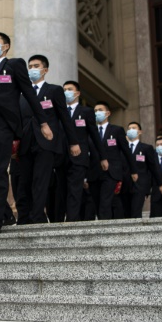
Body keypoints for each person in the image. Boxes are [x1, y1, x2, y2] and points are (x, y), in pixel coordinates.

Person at [0, 32, 51, 234]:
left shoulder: (14, 65)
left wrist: (43, 122)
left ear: (5, 47)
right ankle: (2, 215)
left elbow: (29, 93)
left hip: (3, 124)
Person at [15, 55, 79, 224]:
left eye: (36, 66)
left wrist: (73, 142)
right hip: (25, 143)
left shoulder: (54, 90)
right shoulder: (22, 94)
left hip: (46, 143)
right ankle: (25, 217)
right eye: (30, 66)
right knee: (25, 182)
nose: (32, 69)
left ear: (45, 70)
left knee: (40, 181)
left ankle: (37, 217)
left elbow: (65, 118)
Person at [58, 81, 107, 222]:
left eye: (70, 89)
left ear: (77, 93)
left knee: (75, 190)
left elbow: (95, 136)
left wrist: (103, 157)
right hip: (61, 157)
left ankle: (71, 221)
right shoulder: (59, 111)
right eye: (64, 89)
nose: (66, 91)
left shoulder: (86, 112)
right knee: (63, 191)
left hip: (79, 158)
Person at [90, 102, 137, 219]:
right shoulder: (90, 131)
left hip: (111, 172)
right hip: (94, 172)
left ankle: (104, 230)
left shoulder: (117, 130)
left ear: (108, 113)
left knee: (105, 203)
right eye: (95, 111)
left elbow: (126, 152)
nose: (97, 113)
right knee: (97, 203)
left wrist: (134, 170)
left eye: (100, 110)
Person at [122, 122, 161, 218]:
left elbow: (153, 168)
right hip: (124, 185)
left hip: (140, 186)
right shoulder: (122, 148)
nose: (131, 130)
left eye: (134, 128)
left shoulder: (146, 148)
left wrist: (151, 187)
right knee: (125, 213)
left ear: (140, 132)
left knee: (136, 212)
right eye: (129, 128)